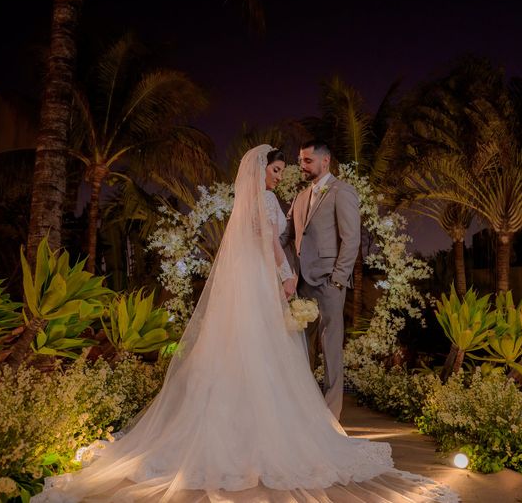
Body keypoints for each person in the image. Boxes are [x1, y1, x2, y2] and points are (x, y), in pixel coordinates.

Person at [33, 145, 456, 502]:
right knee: (272, 351)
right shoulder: (271, 201)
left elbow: (311, 238)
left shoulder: (264, 200)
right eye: (276, 169)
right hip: (273, 278)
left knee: (258, 349)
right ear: (261, 169)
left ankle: (275, 421)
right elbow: (275, 242)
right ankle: (285, 427)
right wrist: (286, 274)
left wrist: (317, 274)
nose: (283, 175)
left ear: (323, 163)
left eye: (291, 167)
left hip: (277, 280)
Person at [280, 139, 358, 419]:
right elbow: (286, 236)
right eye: (300, 160)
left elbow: (351, 240)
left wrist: (338, 279)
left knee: (331, 349)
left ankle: (330, 416)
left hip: (329, 282)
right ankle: (304, 413)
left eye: (307, 161)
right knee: (300, 349)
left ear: (325, 161)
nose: (302, 166)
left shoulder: (342, 192)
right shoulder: (301, 197)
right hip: (301, 283)